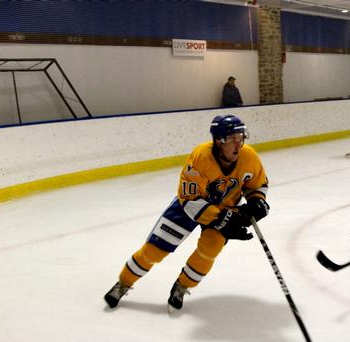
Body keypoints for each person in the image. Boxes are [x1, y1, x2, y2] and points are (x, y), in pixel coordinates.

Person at [104, 115, 269, 311]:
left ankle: (182, 285)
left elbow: (257, 185)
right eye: (232, 138)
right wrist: (222, 219)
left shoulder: (248, 156)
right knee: (154, 251)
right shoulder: (201, 157)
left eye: (240, 137)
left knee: (211, 248)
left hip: (225, 209)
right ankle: (123, 283)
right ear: (218, 140)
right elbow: (190, 200)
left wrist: (257, 202)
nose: (238, 144)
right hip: (189, 207)